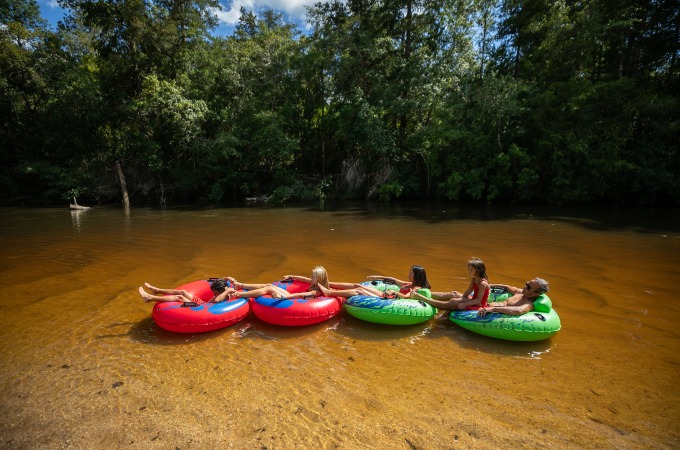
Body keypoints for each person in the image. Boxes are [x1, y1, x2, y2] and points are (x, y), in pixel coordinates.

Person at [412, 257, 489, 311]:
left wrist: (464, 304)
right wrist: (462, 299)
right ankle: (428, 293)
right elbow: (468, 291)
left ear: (477, 271)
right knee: (454, 294)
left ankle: (421, 297)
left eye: (471, 270)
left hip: (478, 305)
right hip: (473, 300)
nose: (469, 272)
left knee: (453, 301)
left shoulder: (482, 284)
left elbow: (478, 300)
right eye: (469, 269)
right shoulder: (474, 279)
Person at [222, 266, 332, 301]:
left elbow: (300, 295)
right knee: (269, 285)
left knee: (269, 289)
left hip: (293, 299)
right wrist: (291, 276)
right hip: (292, 297)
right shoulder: (315, 283)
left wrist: (284, 297)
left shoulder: (316, 290)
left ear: (320, 278)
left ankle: (237, 294)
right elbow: (303, 279)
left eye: (314, 277)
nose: (311, 278)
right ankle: (240, 285)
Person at [320, 265, 432, 299]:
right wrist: (377, 276)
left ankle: (329, 293)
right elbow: (392, 279)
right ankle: (328, 284)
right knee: (358, 285)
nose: (409, 274)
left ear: (416, 276)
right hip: (385, 295)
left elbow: (406, 297)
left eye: (411, 273)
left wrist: (394, 292)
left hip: (389, 299)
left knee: (359, 290)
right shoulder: (408, 284)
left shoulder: (416, 288)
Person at [477, 278, 550, 316]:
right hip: (485, 305)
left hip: (488, 311)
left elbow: (519, 310)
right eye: (527, 284)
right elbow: (506, 287)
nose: (525, 287)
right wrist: (488, 285)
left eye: (528, 287)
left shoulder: (528, 304)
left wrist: (493, 309)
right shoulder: (520, 292)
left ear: (535, 294)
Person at [138, 279, 231, 304]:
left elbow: (216, 301)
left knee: (180, 297)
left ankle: (149, 298)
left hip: (200, 309)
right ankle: (157, 290)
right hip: (202, 303)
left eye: (215, 293)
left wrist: (228, 290)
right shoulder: (223, 291)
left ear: (222, 291)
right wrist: (225, 279)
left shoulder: (226, 295)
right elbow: (221, 284)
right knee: (182, 292)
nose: (214, 295)